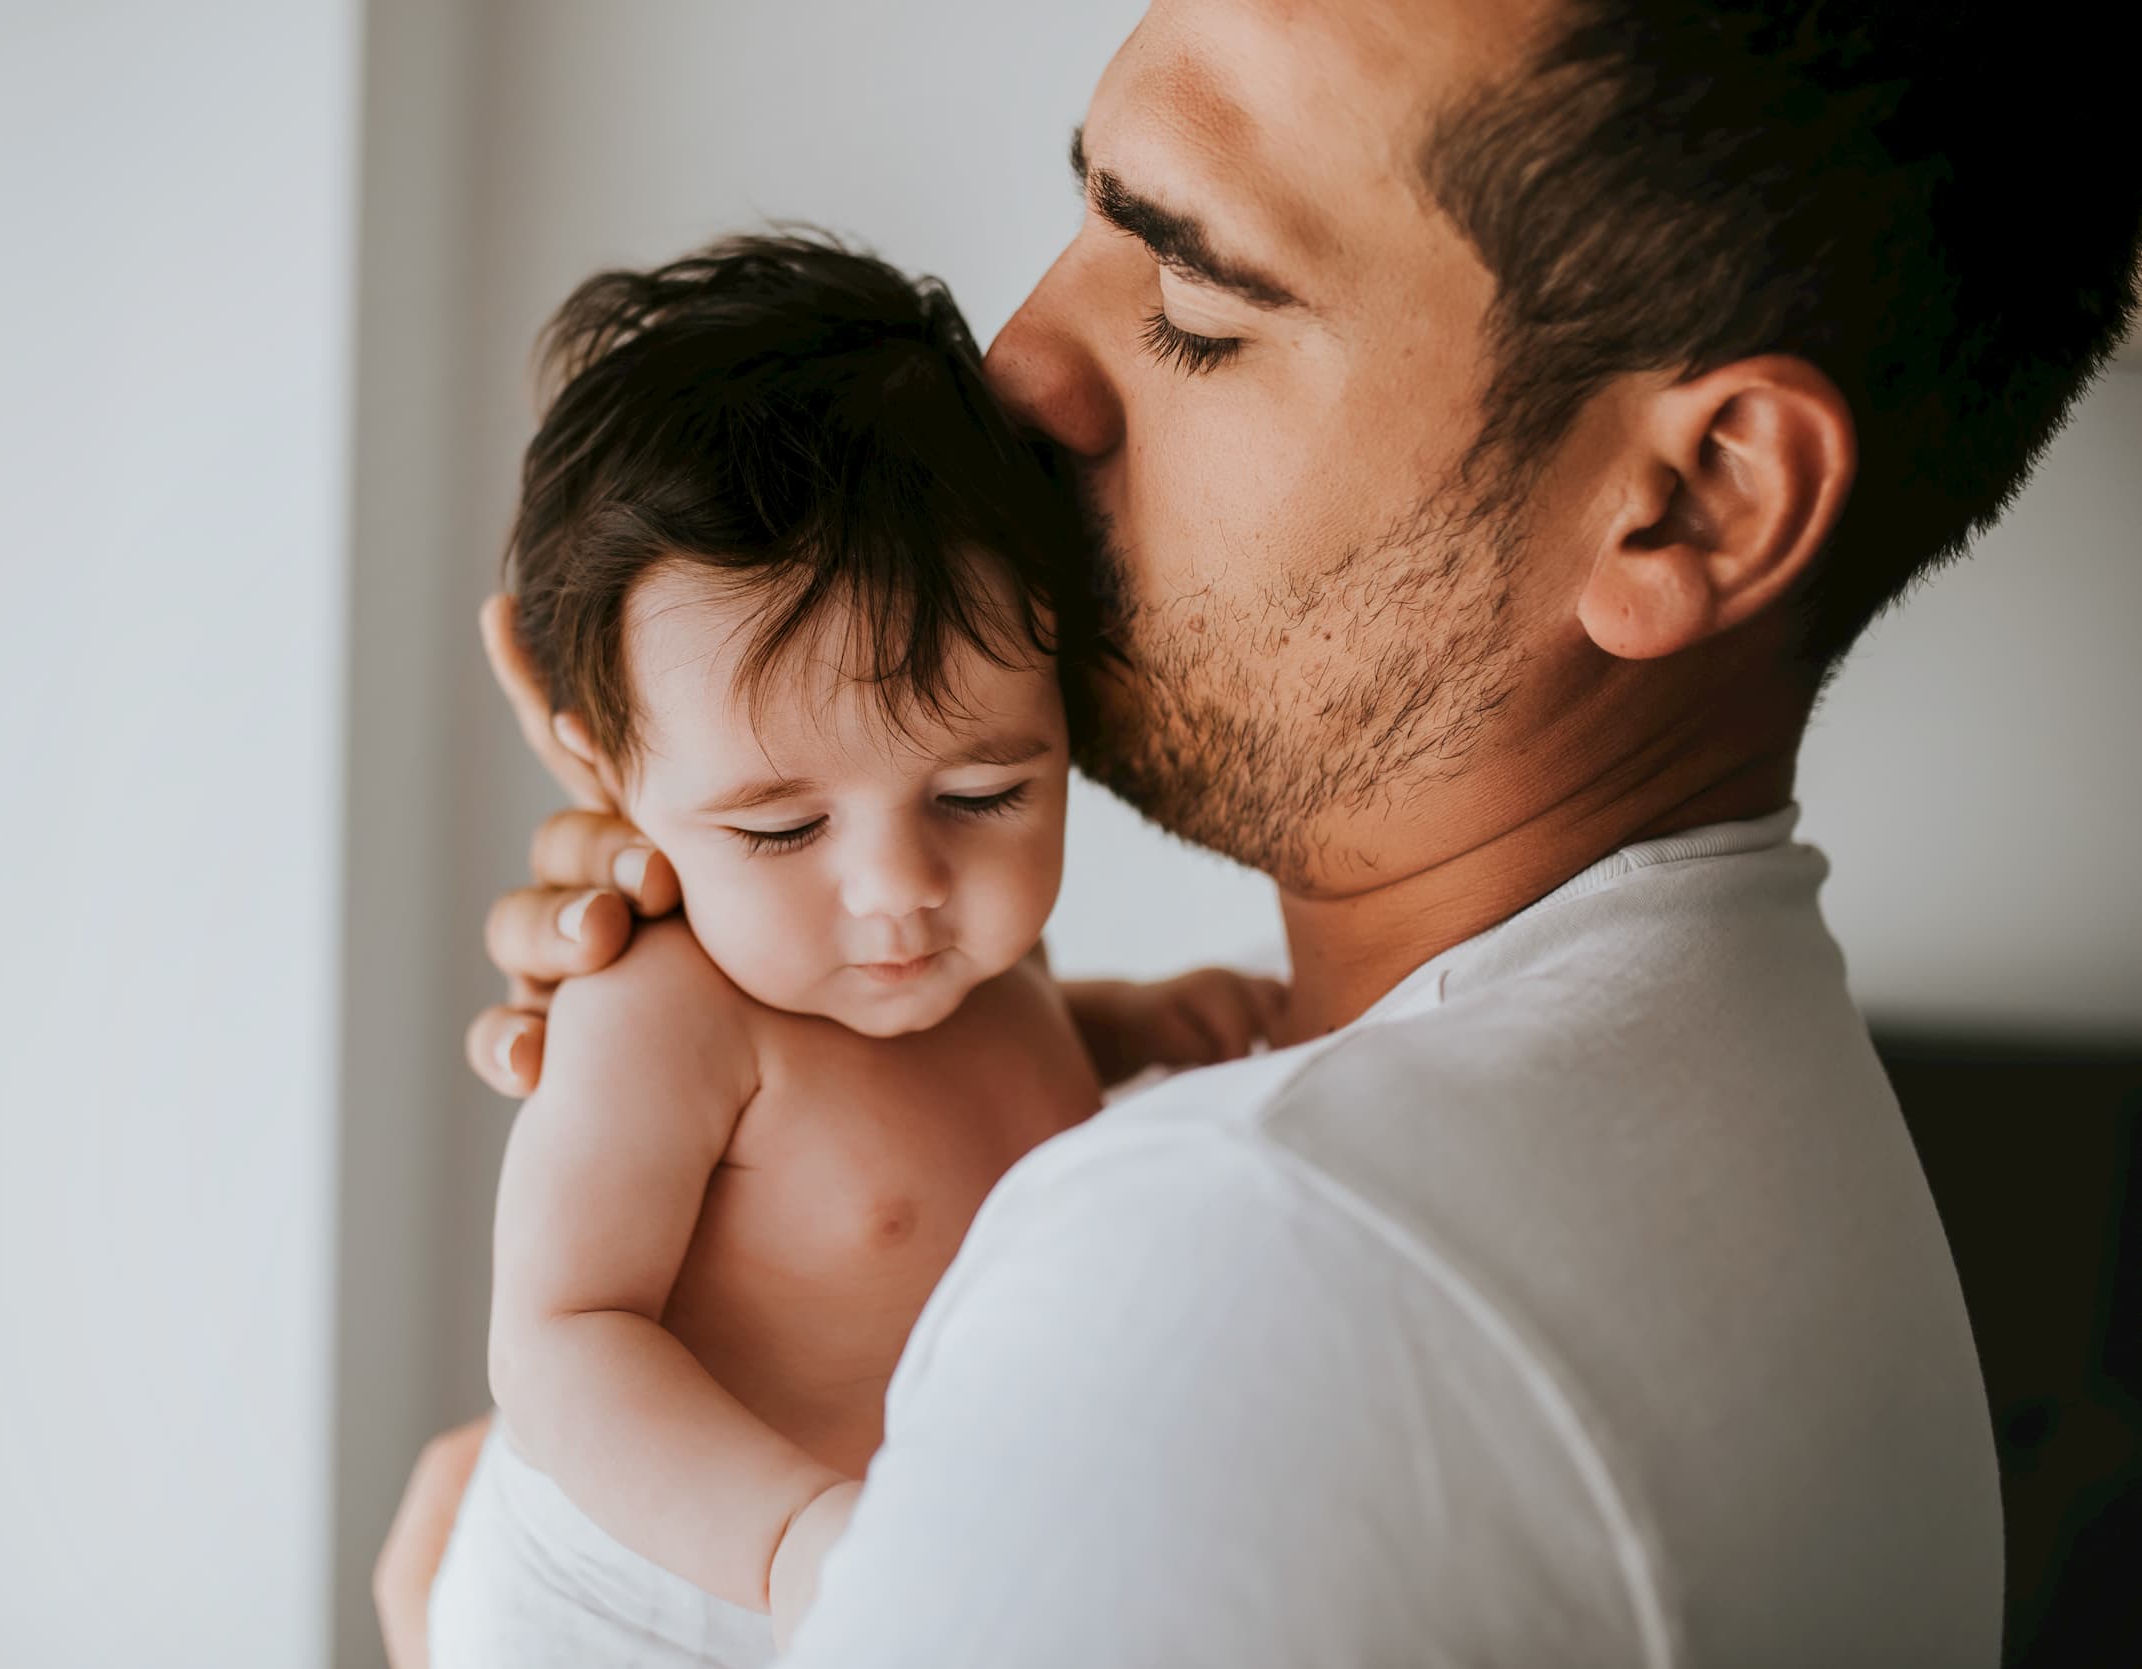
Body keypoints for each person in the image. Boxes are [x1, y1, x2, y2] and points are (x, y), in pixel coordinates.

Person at [383, 1, 2142, 1663]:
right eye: (1085, 213)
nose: (1011, 373)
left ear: (1688, 500)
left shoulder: (1265, 1268)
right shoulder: (1738, 1118)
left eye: (1199, 295)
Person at [424, 235, 1283, 1668]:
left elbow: (991, 1098)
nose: (898, 888)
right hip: (648, 1583)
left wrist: (1151, 1024)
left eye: (980, 795)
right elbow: (562, 1334)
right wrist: (784, 1535)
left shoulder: (982, 965)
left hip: (881, 1564)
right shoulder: (667, 1012)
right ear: (609, 774)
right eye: (777, 829)